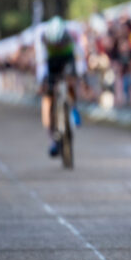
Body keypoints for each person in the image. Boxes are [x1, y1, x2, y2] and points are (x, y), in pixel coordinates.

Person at [34, 15, 87, 157]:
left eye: (59, 42)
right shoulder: (41, 35)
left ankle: (74, 107)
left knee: (71, 81)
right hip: (50, 61)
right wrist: (42, 82)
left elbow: (80, 56)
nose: (57, 45)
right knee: (47, 99)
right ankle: (52, 140)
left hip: (67, 58)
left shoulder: (73, 32)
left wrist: (81, 76)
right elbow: (41, 63)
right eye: (54, 43)